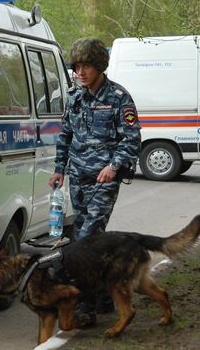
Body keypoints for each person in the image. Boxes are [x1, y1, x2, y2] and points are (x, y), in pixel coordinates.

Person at [47, 37, 142, 327]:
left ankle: (84, 307)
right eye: (76, 67)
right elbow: (65, 135)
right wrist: (59, 168)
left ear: (99, 65)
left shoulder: (118, 97)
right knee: (87, 237)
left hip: (104, 180)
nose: (80, 72)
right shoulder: (75, 97)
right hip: (78, 177)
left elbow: (131, 139)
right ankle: (104, 295)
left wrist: (113, 167)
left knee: (85, 240)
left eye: (86, 66)